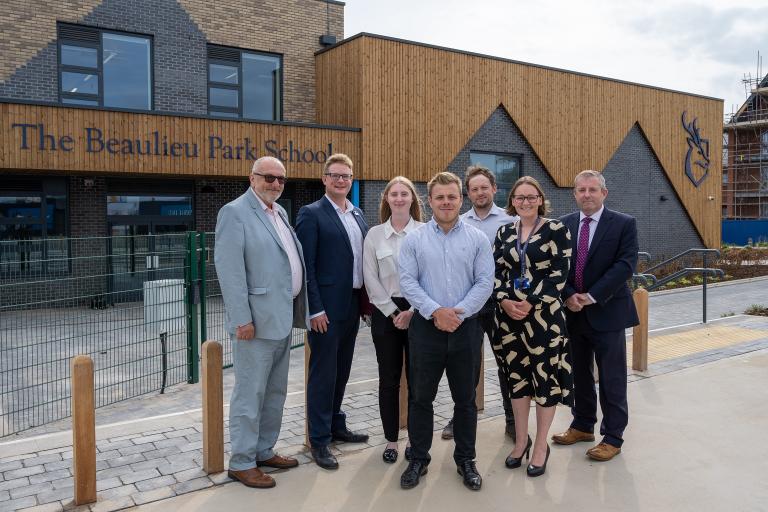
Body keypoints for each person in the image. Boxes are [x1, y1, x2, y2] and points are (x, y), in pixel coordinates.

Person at [214, 156, 308, 489]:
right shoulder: (235, 213)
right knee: (249, 394)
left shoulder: (278, 212)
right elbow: (229, 270)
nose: (275, 184)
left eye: (281, 179)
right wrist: (242, 319)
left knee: (274, 392)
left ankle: (263, 450)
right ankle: (241, 462)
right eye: (269, 177)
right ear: (252, 178)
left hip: (281, 319)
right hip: (254, 324)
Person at [398, 172, 494, 491]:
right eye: (440, 197)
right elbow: (408, 281)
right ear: (430, 202)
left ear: (460, 199)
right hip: (426, 330)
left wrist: (458, 313)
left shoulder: (478, 239)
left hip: (466, 330)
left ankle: (465, 459)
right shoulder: (414, 240)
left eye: (452, 196)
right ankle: (418, 457)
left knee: (465, 400)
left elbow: (484, 282)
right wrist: (436, 311)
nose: (446, 202)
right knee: (420, 398)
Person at [552, 170, 639, 462]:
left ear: (604, 193)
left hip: (607, 312)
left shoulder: (624, 223)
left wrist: (590, 296)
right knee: (578, 375)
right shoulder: (562, 224)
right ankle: (582, 424)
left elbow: (625, 265)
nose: (586, 194)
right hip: (572, 313)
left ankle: (613, 436)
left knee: (612, 378)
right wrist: (568, 295)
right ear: (574, 194)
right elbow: (556, 267)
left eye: (592, 189)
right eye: (581, 190)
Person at [493, 176, 573, 478]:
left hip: (544, 320)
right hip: (510, 319)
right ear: (512, 201)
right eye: (519, 197)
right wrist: (504, 301)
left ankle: (540, 446)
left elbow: (559, 274)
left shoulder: (556, 229)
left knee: (544, 380)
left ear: (540, 199)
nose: (525, 202)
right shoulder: (504, 231)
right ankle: (521, 441)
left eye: (531, 197)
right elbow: (497, 270)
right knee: (517, 380)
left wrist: (531, 301)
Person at [295, 153, 370, 470]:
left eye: (346, 175)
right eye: (335, 175)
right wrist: (315, 309)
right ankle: (319, 439)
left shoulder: (358, 214)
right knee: (323, 374)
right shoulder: (310, 214)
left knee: (342, 370)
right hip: (325, 309)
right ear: (324, 179)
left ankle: (336, 424)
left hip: (352, 305)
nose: (341, 180)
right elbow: (306, 266)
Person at [440, 165, 518, 442]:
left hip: (501, 304)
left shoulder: (511, 220)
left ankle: (512, 420)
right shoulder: (459, 222)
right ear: (467, 194)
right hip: (470, 305)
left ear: (494, 189)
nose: (480, 192)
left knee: (506, 364)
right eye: (474, 189)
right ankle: (460, 418)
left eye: (484, 187)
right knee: (466, 365)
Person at [363, 176, 424, 464]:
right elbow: (369, 278)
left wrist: (411, 309)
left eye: (404, 194)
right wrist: (393, 312)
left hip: (419, 312)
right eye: (394, 194)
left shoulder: (426, 232)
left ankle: (415, 438)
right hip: (385, 313)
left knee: (417, 380)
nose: (399, 198)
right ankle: (391, 440)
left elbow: (430, 276)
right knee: (388, 380)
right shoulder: (375, 235)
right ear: (386, 199)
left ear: (413, 199)